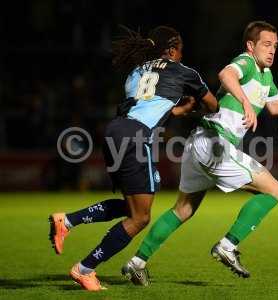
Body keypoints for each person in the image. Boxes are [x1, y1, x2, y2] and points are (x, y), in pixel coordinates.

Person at [122, 21, 278, 285]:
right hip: (216, 142)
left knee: (183, 209)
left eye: (275, 46)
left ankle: (137, 262)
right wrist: (246, 102)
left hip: (199, 142)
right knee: (274, 190)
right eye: (266, 44)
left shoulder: (266, 76)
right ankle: (227, 245)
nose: (272, 50)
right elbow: (225, 74)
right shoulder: (245, 62)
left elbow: (277, 107)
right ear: (251, 45)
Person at [48, 25, 218, 291]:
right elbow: (212, 104)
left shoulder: (135, 73)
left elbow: (146, 105)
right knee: (141, 218)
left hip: (116, 130)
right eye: (180, 50)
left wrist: (179, 108)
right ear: (172, 49)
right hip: (136, 137)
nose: (181, 55)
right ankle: (85, 269)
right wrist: (195, 102)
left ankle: (68, 221)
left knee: (132, 209)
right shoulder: (184, 72)